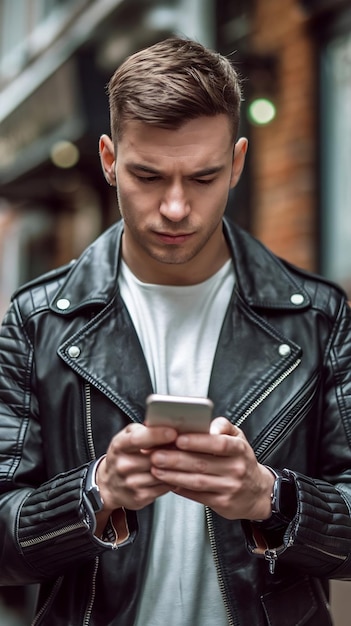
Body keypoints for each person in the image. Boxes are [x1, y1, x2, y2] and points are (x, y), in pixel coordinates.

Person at [0, 36, 350, 626]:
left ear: (238, 162)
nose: (176, 208)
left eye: (205, 177)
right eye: (149, 176)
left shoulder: (319, 317)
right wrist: (97, 492)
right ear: (109, 160)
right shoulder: (38, 321)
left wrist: (269, 497)